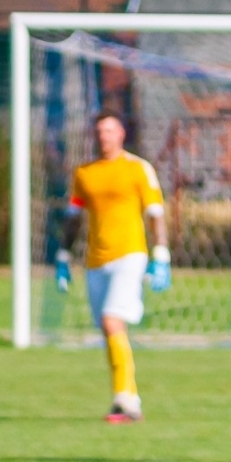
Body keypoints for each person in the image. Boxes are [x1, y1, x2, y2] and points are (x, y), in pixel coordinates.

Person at [56, 110, 172, 424]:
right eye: (99, 131)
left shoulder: (138, 168)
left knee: (112, 321)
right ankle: (128, 400)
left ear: (121, 133)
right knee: (110, 331)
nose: (103, 137)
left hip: (130, 255)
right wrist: (63, 257)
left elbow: (155, 213)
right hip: (95, 261)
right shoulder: (85, 173)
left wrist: (161, 254)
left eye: (109, 131)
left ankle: (124, 399)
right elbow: (74, 218)